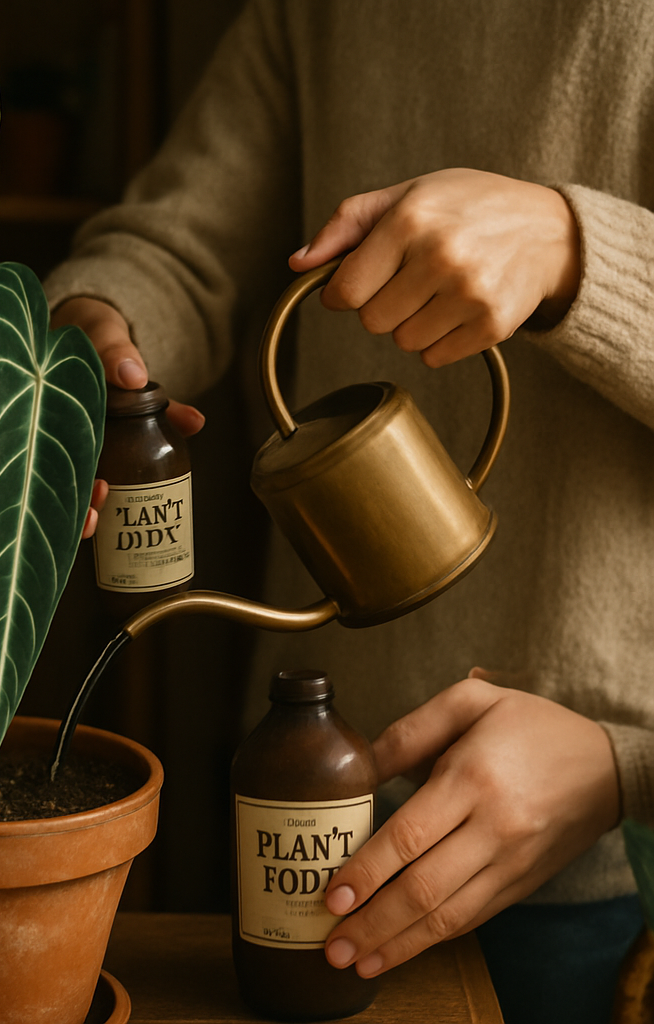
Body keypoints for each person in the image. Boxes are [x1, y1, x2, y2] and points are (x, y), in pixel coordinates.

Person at [45, 3, 654, 1021]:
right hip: (301, 794)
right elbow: (178, 245)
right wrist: (89, 345)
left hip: (610, 873)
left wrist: (574, 251)